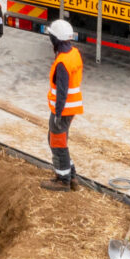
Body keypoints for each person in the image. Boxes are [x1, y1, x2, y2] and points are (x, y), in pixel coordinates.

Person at [43, 18, 83, 190]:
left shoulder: (62, 63)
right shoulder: (73, 53)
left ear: (55, 39)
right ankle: (71, 176)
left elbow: (62, 91)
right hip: (71, 108)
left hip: (63, 110)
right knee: (59, 141)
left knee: (57, 144)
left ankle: (63, 180)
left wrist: (58, 114)